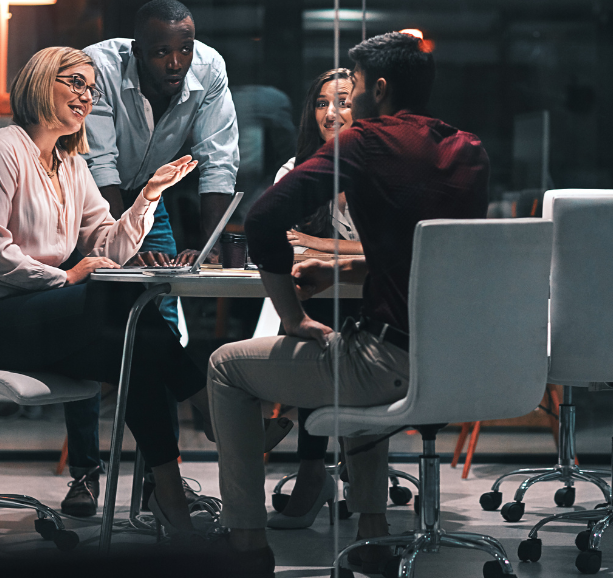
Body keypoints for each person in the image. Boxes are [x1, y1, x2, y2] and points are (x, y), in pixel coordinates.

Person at [208, 32, 490, 575]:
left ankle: (245, 541)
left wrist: (291, 315)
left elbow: (265, 220)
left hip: (389, 363)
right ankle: (372, 530)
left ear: (378, 89)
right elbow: (431, 254)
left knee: (226, 368)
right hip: (459, 362)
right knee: (355, 338)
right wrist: (342, 268)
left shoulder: (364, 141)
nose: (347, 101)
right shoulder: (470, 149)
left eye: (354, 87)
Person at [0, 46, 208, 538]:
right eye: (75, 82)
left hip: (35, 316)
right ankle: (209, 409)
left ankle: (169, 493)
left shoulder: (71, 166)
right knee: (120, 302)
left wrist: (149, 196)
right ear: (40, 83)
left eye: (91, 87)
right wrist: (68, 276)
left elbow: (109, 245)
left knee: (135, 357)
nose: (87, 95)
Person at [60, 0, 240, 517]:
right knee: (101, 322)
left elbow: (218, 160)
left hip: (151, 194)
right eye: (162, 52)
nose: (176, 62)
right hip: (91, 196)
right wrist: (123, 249)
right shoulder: (98, 68)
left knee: (156, 324)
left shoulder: (209, 69)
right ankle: (85, 476)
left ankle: (156, 481)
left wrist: (208, 251)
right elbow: (102, 166)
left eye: (183, 49)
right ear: (137, 50)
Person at [266, 68, 363, 530]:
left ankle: (336, 472)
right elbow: (284, 241)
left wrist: (322, 247)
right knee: (314, 328)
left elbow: (396, 250)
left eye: (343, 101)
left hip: (379, 302)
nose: (331, 112)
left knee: (337, 334)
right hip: (320, 301)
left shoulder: (379, 166)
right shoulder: (297, 171)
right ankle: (315, 470)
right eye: (323, 103)